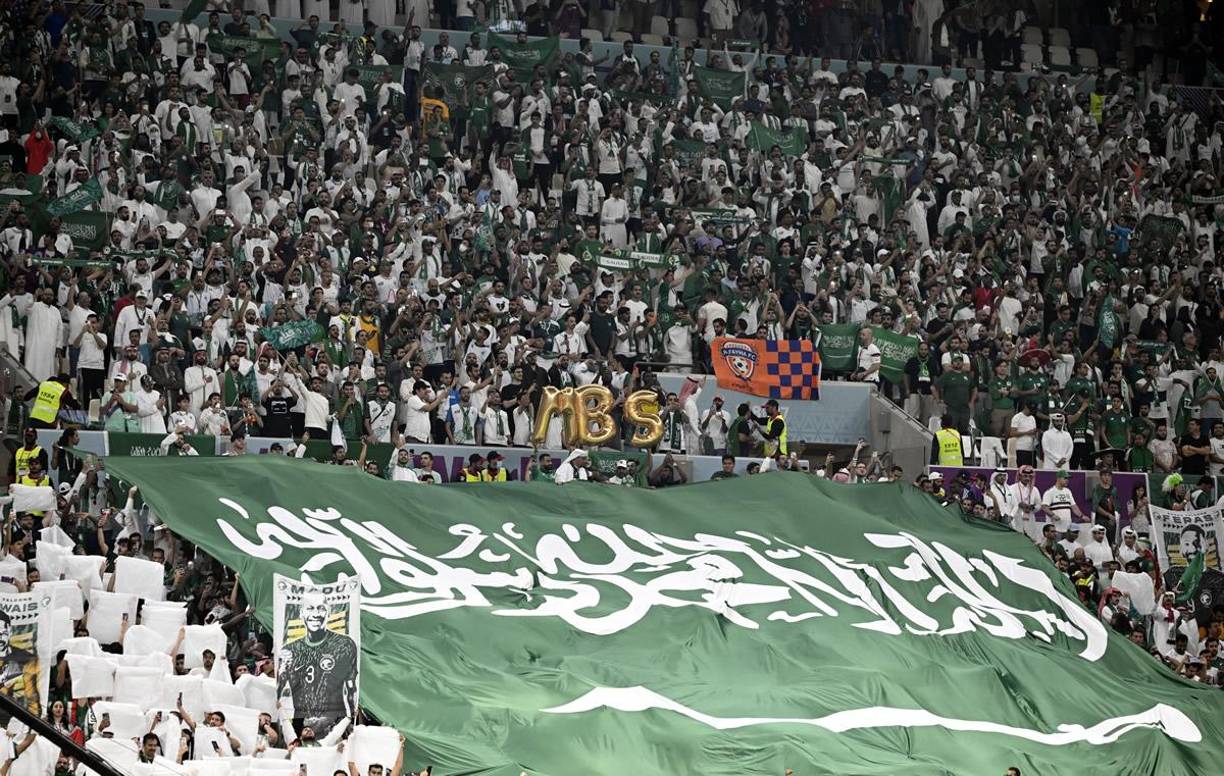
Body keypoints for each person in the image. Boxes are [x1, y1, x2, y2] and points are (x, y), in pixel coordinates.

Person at [277, 590, 358, 728]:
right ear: (301, 613)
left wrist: (351, 718)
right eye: (310, 608)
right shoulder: (289, 650)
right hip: (301, 721)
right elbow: (279, 689)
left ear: (329, 613)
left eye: (321, 608)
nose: (315, 614)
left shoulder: (344, 644)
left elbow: (351, 686)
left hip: (335, 719)